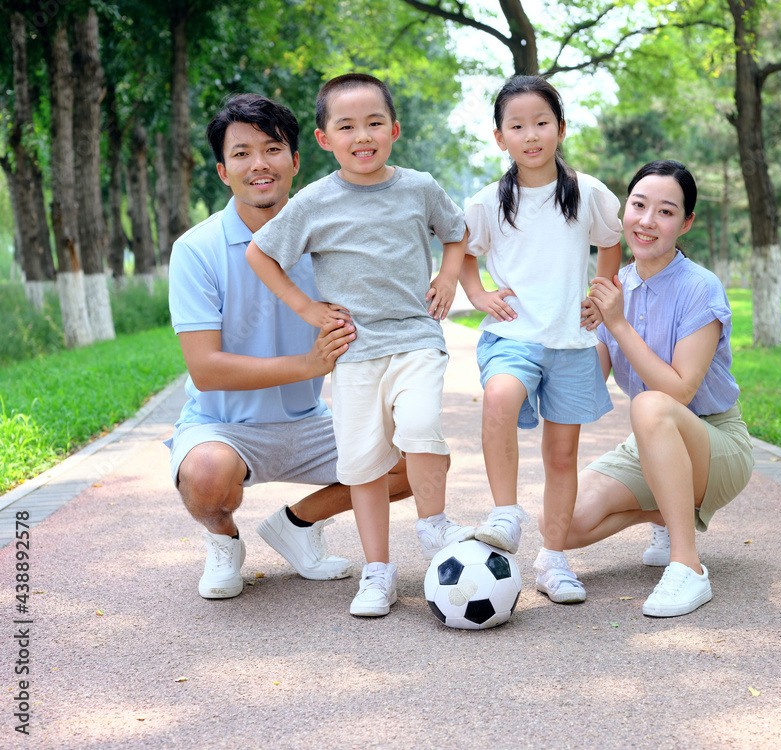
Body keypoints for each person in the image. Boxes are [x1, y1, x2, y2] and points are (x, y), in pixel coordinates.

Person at [168, 93, 413, 601]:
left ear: (296, 161)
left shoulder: (330, 240)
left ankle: (297, 526)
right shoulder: (196, 250)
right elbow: (206, 370)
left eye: (273, 148)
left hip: (310, 423)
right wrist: (307, 363)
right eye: (241, 153)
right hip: (223, 426)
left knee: (416, 458)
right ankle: (223, 540)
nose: (259, 164)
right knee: (207, 477)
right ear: (222, 171)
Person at [245, 74, 473, 618]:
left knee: (419, 424)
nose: (362, 135)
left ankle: (434, 525)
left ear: (393, 129)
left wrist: (447, 278)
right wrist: (308, 309)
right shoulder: (314, 201)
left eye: (374, 123)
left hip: (416, 336)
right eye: (346, 126)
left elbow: (457, 232)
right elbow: (261, 255)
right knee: (364, 464)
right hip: (353, 351)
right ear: (324, 140)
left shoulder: (418, 187)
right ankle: (378, 572)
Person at [548, 159, 753, 617]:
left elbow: (679, 392)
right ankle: (665, 507)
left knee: (651, 405)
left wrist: (616, 322)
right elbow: (588, 384)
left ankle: (688, 565)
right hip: (651, 440)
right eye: (639, 205)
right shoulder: (613, 286)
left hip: (716, 441)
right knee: (559, 524)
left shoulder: (701, 288)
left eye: (665, 211)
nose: (646, 221)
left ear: (686, 223)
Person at [460, 75, 623, 605]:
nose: (530, 135)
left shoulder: (589, 192)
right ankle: (505, 514)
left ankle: (553, 560)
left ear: (561, 128)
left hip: (572, 342)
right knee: (499, 398)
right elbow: (463, 250)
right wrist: (478, 293)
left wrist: (604, 292)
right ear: (499, 136)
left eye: (541, 123)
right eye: (517, 126)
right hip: (513, 334)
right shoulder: (487, 201)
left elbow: (610, 242)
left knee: (561, 455)